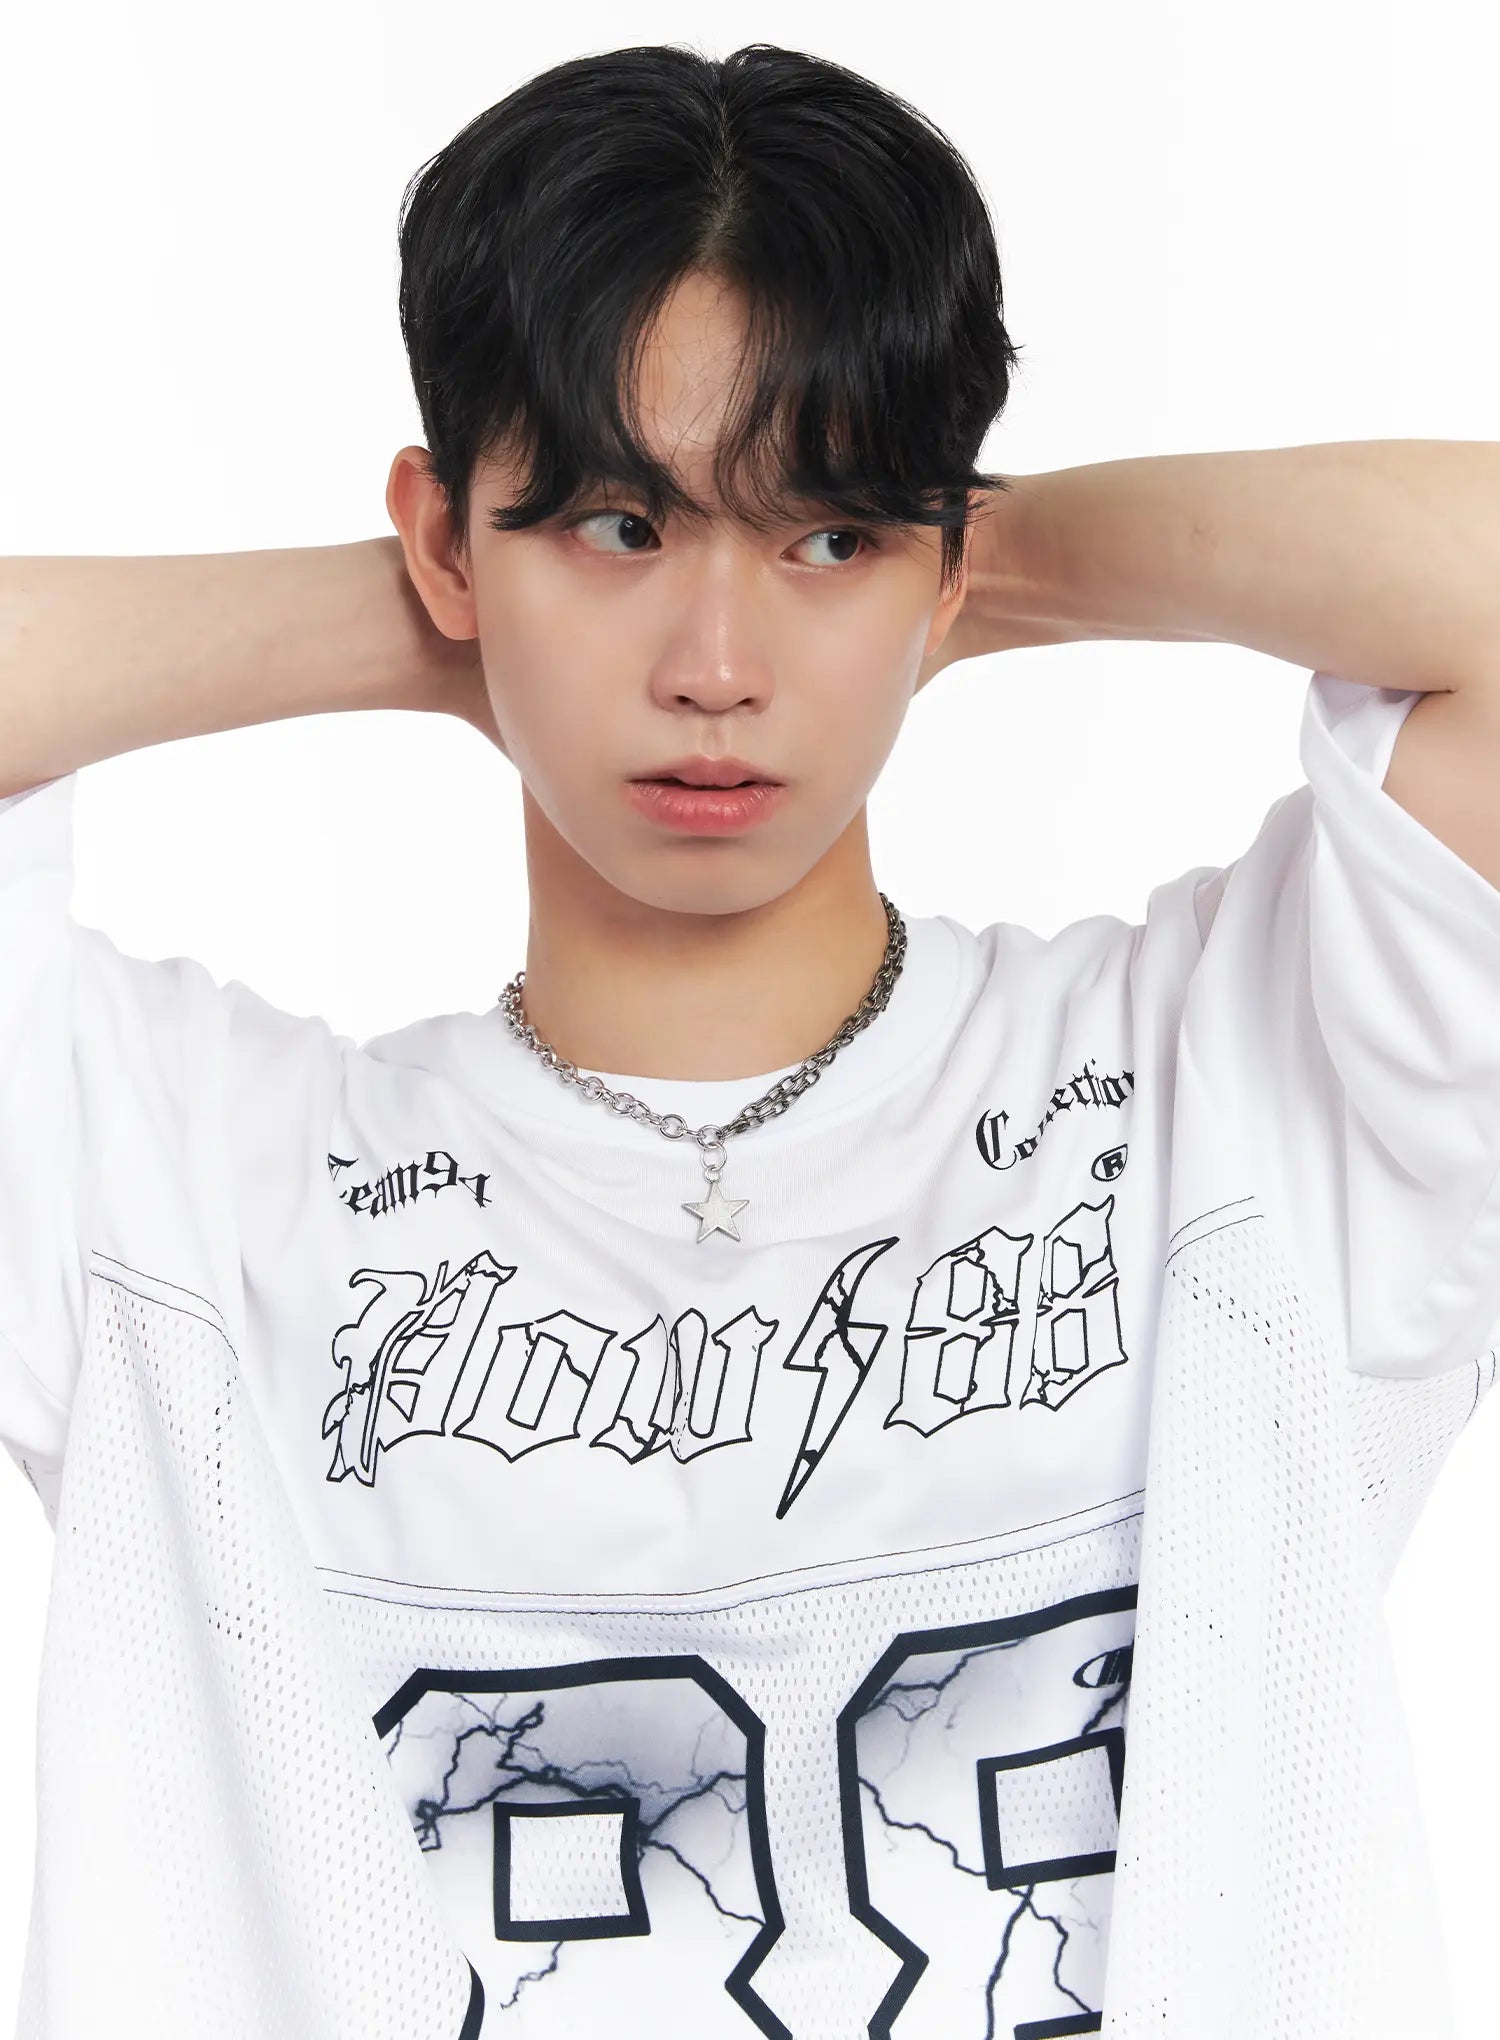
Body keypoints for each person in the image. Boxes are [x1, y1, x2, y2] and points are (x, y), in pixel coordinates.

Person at [3, 39, 1499, 2040]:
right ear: (444, 538)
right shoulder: (191, 1200)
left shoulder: (1218, 1096)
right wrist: (457, 623)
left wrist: (975, 560)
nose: (716, 669)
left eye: (828, 539)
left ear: (943, 552)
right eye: (617, 532)